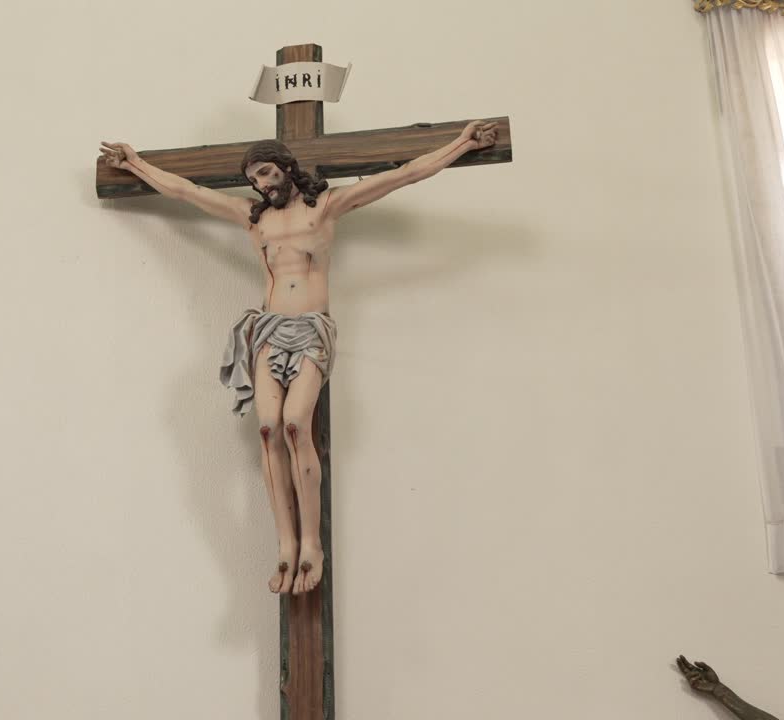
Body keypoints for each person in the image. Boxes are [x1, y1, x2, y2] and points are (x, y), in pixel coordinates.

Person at [99, 120, 499, 595]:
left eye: (267, 173)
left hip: (310, 329)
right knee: (267, 428)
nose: (262, 185)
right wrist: (135, 161)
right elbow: (185, 192)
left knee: (294, 424)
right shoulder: (253, 219)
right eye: (254, 180)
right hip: (269, 329)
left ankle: (312, 544)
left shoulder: (326, 208)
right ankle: (286, 544)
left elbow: (406, 173)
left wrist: (463, 142)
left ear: (287, 168)